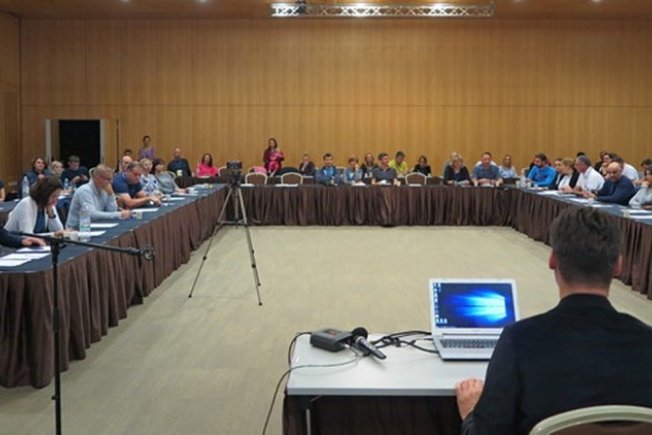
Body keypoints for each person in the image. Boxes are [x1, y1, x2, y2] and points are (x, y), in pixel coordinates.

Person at [456, 207, 652, 435]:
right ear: (618, 265)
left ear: (552, 260)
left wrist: (471, 412)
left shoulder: (519, 340)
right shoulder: (647, 340)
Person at [66, 165, 131, 230]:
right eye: (108, 179)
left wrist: (111, 195)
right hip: (76, 229)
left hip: (95, 225)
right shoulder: (85, 191)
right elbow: (92, 215)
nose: (111, 182)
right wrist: (119, 215)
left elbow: (111, 211)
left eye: (112, 179)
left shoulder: (105, 189)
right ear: (97, 179)